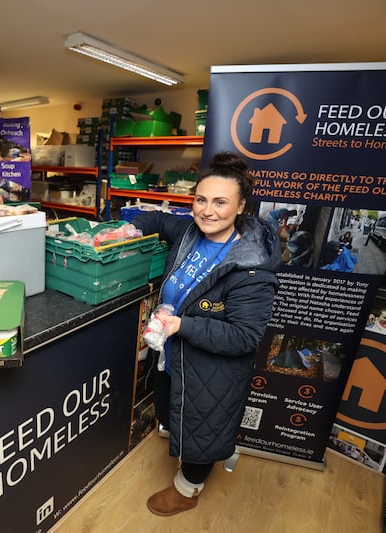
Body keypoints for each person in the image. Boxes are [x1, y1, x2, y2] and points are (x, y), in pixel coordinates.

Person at [130, 151, 281, 516]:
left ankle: (188, 488)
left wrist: (182, 325)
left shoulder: (251, 269)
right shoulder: (187, 233)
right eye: (201, 200)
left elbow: (245, 336)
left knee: (203, 429)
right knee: (172, 412)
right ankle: (215, 451)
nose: (207, 210)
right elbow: (157, 219)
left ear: (241, 205)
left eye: (220, 202)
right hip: (173, 354)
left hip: (210, 370)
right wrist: (123, 230)